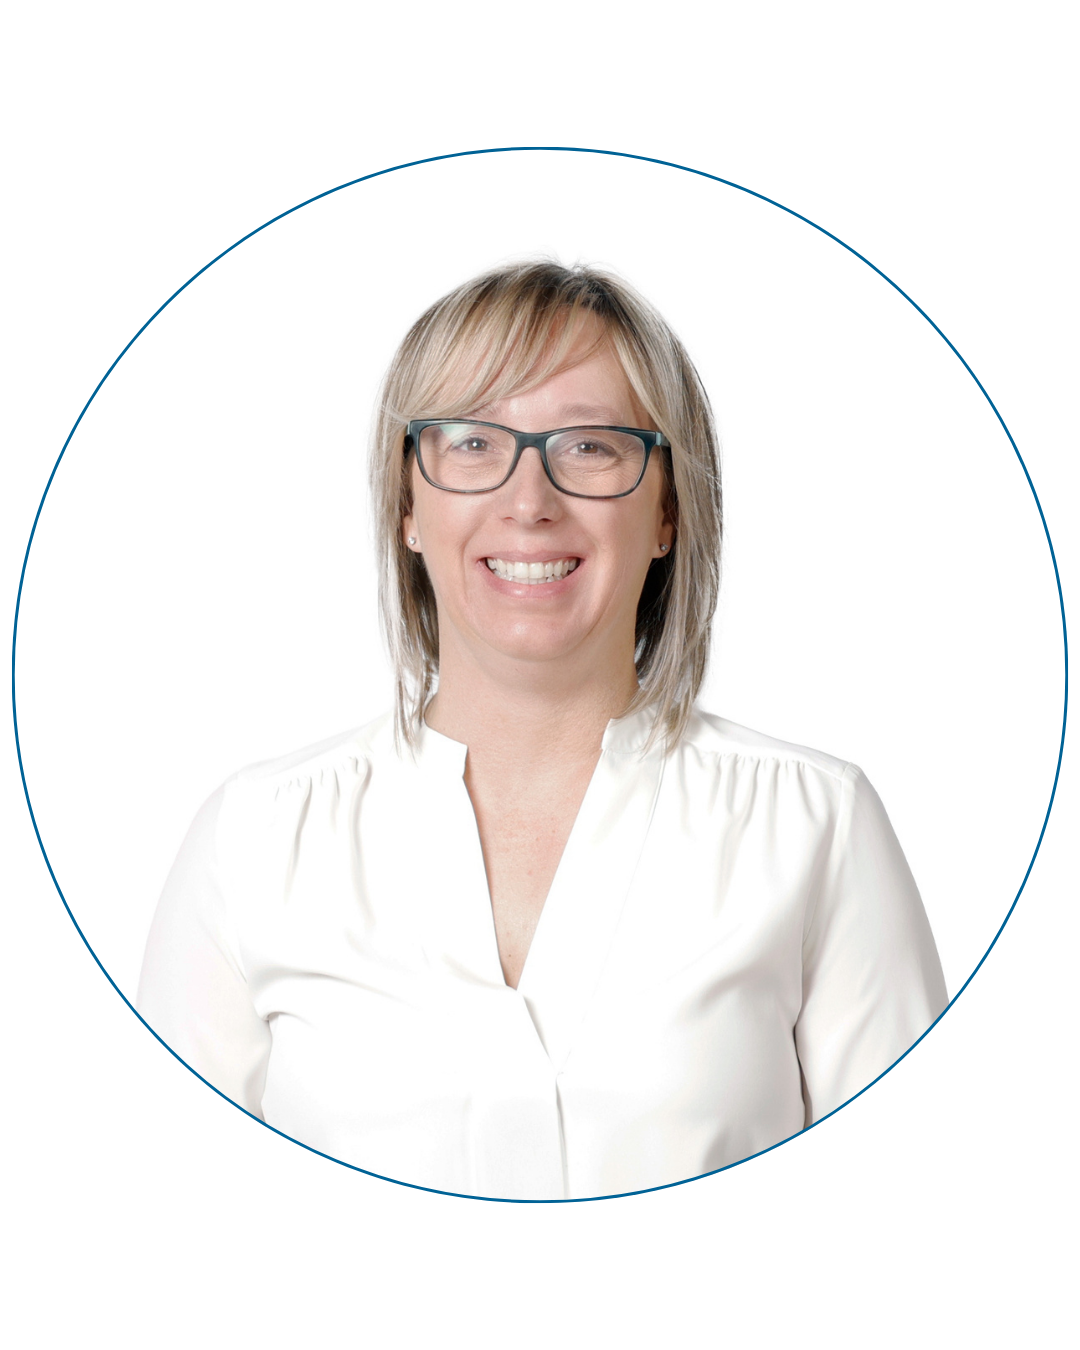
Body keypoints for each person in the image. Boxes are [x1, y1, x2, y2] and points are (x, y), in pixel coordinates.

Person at [137, 260, 948, 1200]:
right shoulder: (254, 839)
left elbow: (910, 1219)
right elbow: (169, 1227)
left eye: (592, 447)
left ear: (669, 511)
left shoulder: (817, 826)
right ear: (408, 505)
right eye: (475, 443)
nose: (529, 501)